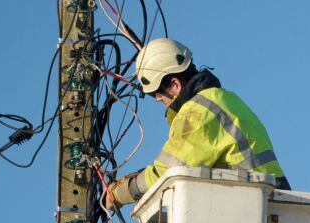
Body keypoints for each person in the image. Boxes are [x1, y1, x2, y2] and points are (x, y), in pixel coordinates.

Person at [105, 38, 289, 209]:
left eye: (156, 93)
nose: (157, 99)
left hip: (253, 205)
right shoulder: (223, 98)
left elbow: (168, 172)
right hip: (271, 201)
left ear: (175, 84)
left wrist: (120, 193)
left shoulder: (197, 113)